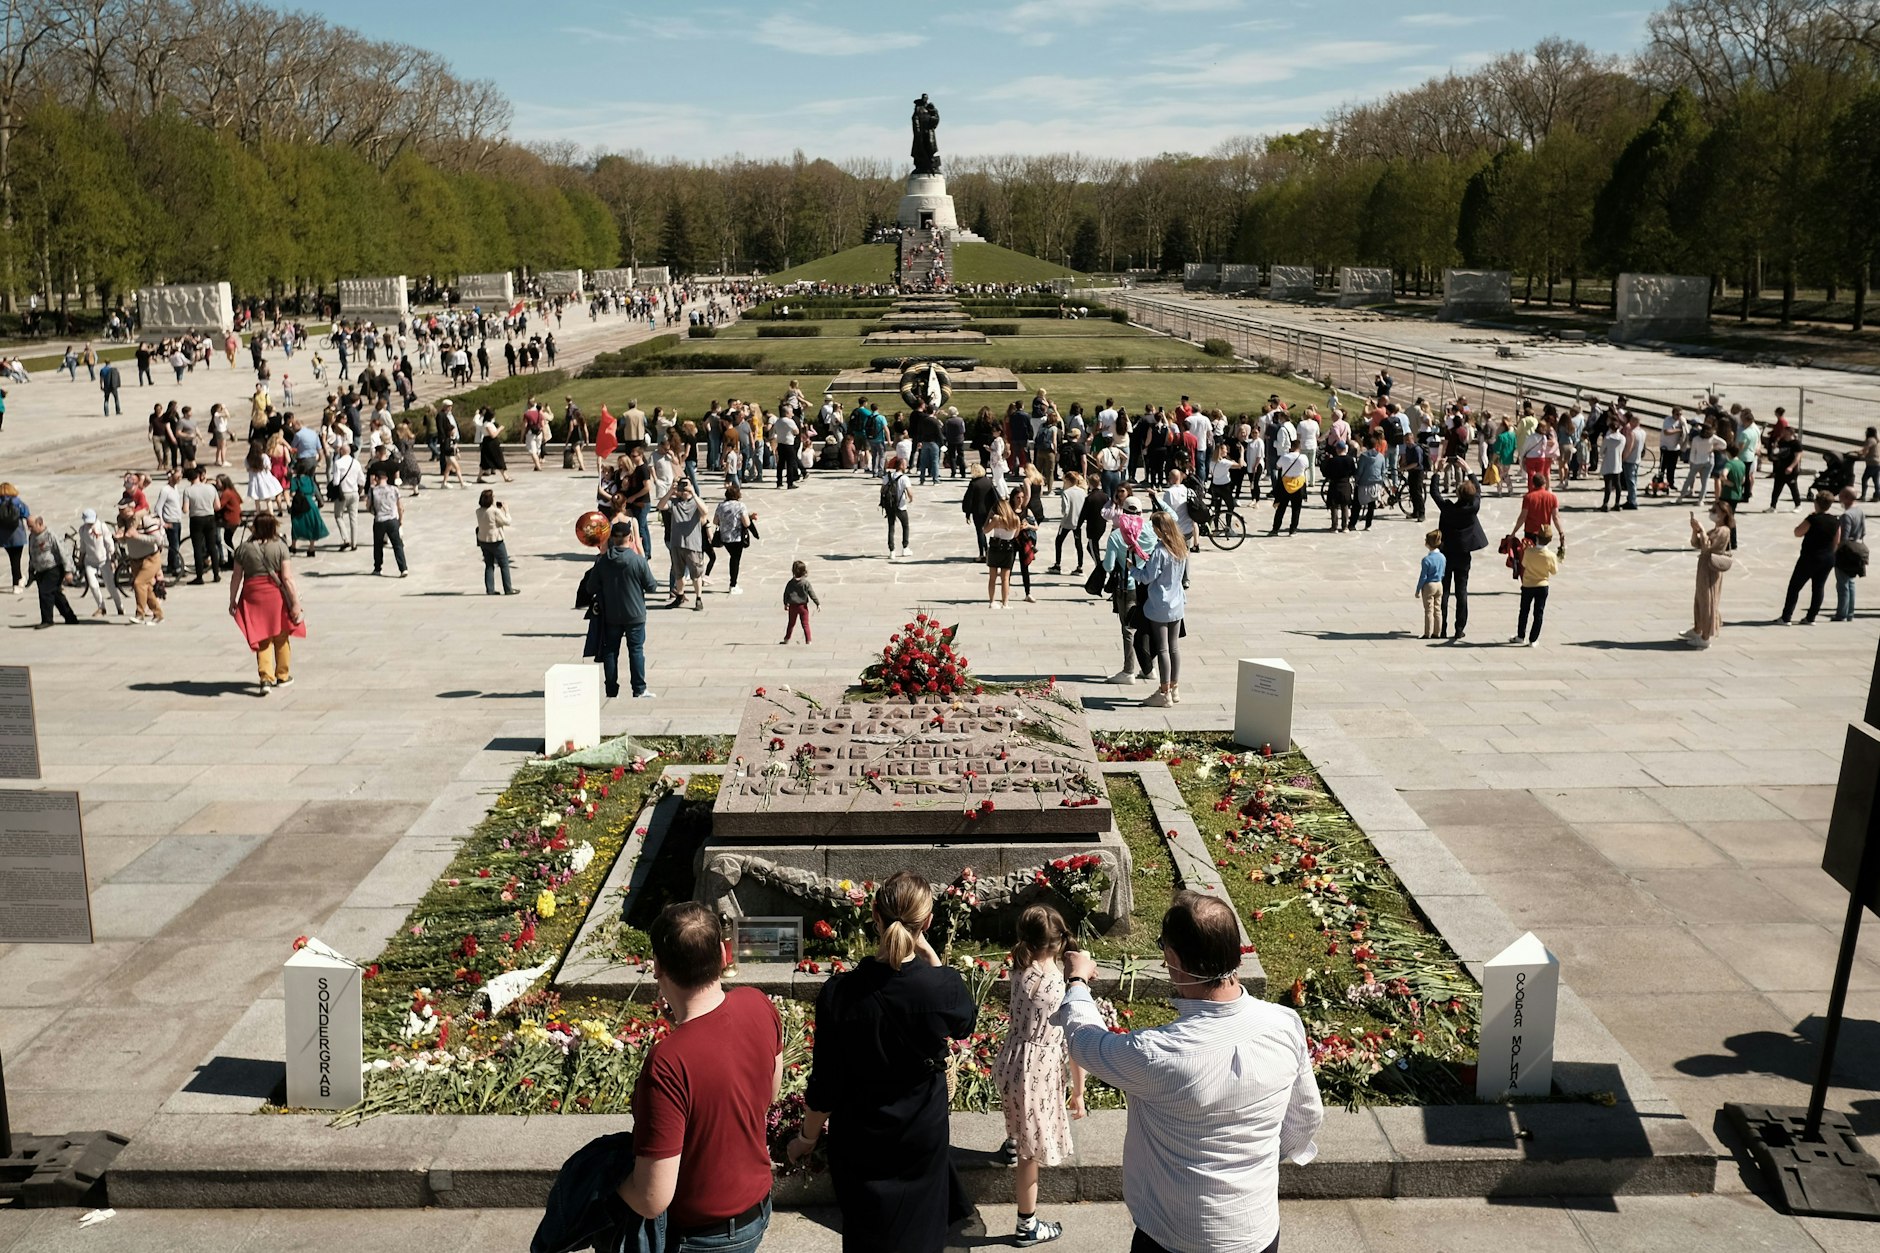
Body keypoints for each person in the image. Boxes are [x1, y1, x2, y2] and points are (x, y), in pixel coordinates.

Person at [1055, 891, 1323, 1253]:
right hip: (1256, 1231)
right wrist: (1253, 1164)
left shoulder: (1157, 1053)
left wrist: (1077, 981)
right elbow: (1306, 1115)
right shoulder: (1284, 1023)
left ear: (1174, 959)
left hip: (1175, 1236)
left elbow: (1086, 1042)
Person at [789, 873, 977, 1253]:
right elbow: (964, 1024)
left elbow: (826, 1084)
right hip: (921, 1136)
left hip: (860, 1140)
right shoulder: (942, 986)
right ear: (927, 922)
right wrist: (929, 955)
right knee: (923, 1235)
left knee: (866, 1236)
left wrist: (806, 1138)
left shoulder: (839, 994)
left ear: (874, 914)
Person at [614, 902, 783, 1253]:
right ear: (723, 954)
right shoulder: (758, 1003)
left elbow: (651, 1198)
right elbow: (768, 1095)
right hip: (757, 1209)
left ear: (658, 967)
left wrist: (606, 1184)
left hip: (703, 1237)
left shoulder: (667, 1063)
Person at [991, 902, 1085, 1248]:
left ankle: (1012, 1141)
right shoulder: (1059, 988)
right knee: (1031, 1157)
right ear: (1059, 942)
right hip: (1037, 1073)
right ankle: (1026, 1225)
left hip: (1013, 1061)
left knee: (1018, 1114)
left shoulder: (1021, 967)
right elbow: (1074, 1042)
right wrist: (1079, 1091)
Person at [228, 512, 303, 693]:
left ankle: (265, 679)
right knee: (281, 635)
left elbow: (236, 577)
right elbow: (287, 578)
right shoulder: (281, 547)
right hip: (275, 595)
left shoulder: (243, 549)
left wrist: (233, 599)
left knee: (262, 636)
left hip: (253, 595)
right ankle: (282, 675)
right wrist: (295, 603)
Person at [590, 520, 659, 699]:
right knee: (636, 650)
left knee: (611, 651)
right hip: (635, 614)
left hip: (611, 615)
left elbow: (591, 587)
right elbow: (652, 587)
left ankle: (611, 690)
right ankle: (639, 689)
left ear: (612, 538)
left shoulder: (603, 562)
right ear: (630, 537)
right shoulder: (638, 561)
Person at [1132, 512, 1187, 707]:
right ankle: (1174, 686)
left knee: (1163, 648)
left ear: (1158, 529)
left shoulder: (1160, 551)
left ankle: (1164, 692)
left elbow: (1147, 577)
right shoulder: (1180, 547)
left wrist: (1132, 569)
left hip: (1160, 604)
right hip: (1177, 602)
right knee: (1174, 647)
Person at [1431, 474, 1487, 641]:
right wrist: (1469, 471)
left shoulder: (1448, 509)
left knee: (1444, 591)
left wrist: (1437, 473)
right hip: (1463, 554)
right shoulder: (1472, 509)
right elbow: (1478, 492)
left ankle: (1441, 627)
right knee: (1461, 591)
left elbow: (1435, 493)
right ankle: (1459, 628)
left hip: (1446, 553)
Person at [1779, 491, 1842, 625]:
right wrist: (1830, 554)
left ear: (1816, 503)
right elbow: (1836, 541)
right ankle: (1811, 617)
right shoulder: (1836, 520)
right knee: (1818, 587)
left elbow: (1798, 532)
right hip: (1827, 558)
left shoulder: (1813, 519)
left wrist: (1807, 519)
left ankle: (1786, 617)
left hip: (1810, 557)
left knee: (1795, 586)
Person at [1684, 503, 1733, 647]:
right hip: (1704, 567)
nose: (1712, 513)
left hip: (1711, 569)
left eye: (1715, 511)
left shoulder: (1724, 531)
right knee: (1700, 598)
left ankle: (1705, 637)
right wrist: (1696, 531)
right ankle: (1698, 628)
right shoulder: (1716, 529)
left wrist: (1702, 530)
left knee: (1708, 600)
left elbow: (1708, 547)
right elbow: (1696, 544)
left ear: (1723, 514)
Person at [659, 476, 708, 611]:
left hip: (693, 544)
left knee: (696, 574)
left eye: (687, 485)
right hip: (677, 543)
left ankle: (698, 598)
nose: (685, 489)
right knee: (678, 573)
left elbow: (705, 511)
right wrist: (671, 491)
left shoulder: (696, 502)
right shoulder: (674, 502)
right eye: (683, 486)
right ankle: (679, 596)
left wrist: (693, 493)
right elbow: (661, 506)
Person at [1509, 524, 1560, 647]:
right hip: (1542, 585)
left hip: (1528, 585)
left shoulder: (1529, 552)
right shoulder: (1551, 556)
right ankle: (1533, 639)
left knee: (1524, 611)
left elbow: (1524, 564)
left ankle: (1520, 636)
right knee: (1538, 613)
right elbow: (1554, 571)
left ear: (1536, 538)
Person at [24, 517, 78, 629]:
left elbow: (63, 552)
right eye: (28, 527)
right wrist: (31, 572)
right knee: (56, 594)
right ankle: (70, 617)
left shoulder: (51, 535)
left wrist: (68, 571)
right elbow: (32, 554)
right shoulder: (32, 537)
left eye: (31, 526)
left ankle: (47, 620)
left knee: (45, 593)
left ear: (40, 523)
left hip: (53, 568)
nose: (29, 529)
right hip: (40, 570)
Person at [75, 509, 122, 617]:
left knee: (110, 586)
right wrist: (80, 560)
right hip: (90, 561)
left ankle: (119, 606)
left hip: (104, 560)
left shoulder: (102, 526)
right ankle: (101, 607)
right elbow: (83, 546)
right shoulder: (82, 530)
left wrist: (112, 558)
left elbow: (109, 543)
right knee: (93, 585)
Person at [181, 466, 223, 583]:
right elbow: (217, 506)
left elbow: (185, 509)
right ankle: (216, 574)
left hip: (196, 519)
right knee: (212, 547)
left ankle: (199, 576)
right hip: (210, 517)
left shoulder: (188, 490)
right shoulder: (210, 488)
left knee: (198, 548)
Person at [1832, 487, 1867, 621]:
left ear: (1846, 498)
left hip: (1846, 551)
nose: (1839, 498)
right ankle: (1850, 613)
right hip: (1857, 548)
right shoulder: (1859, 511)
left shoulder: (1846, 516)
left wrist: (1835, 551)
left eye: (1841, 495)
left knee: (1842, 584)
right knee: (1850, 582)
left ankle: (1841, 614)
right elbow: (1863, 532)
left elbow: (1843, 538)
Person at [712, 484, 754, 595]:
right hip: (736, 537)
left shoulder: (721, 505)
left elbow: (715, 521)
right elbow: (746, 523)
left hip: (724, 537)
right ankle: (733, 584)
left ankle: (733, 583)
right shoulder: (740, 506)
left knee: (733, 558)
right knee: (735, 560)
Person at [984, 494, 1022, 609]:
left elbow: (985, 530)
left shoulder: (997, 519)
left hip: (995, 547)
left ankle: (992, 601)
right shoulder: (1016, 519)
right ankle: (1005, 603)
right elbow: (1016, 535)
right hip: (1008, 548)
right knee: (1005, 578)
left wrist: (988, 518)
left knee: (992, 577)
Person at [475, 490, 516, 596]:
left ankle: (490, 589)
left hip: (483, 540)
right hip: (496, 540)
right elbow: (507, 522)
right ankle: (508, 588)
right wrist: (506, 511)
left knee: (489, 565)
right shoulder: (494, 511)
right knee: (504, 564)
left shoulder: (478, 511)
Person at [368, 470, 408, 577]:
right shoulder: (394, 489)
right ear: (386, 478)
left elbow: (368, 506)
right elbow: (400, 507)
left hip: (379, 520)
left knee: (378, 545)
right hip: (392, 519)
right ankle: (403, 568)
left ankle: (377, 568)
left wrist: (375, 512)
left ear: (376, 479)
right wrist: (400, 519)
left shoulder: (373, 491)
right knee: (397, 545)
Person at [1050, 471, 1090, 575]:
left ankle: (1057, 564)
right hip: (1078, 522)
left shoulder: (1066, 493)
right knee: (1078, 544)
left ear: (1068, 481)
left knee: (1059, 541)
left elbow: (1065, 510)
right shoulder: (1083, 492)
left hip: (1067, 522)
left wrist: (1063, 516)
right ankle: (1080, 566)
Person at [288, 462, 328, 558]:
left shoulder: (295, 480)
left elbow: (292, 493)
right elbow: (313, 490)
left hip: (299, 503)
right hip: (311, 503)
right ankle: (311, 548)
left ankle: (293, 546)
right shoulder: (309, 479)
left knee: (296, 524)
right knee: (312, 525)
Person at [961, 464, 1000, 560]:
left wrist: (967, 513)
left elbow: (969, 500)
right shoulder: (988, 481)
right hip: (988, 511)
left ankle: (983, 553)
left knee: (980, 531)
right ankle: (987, 551)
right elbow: (995, 497)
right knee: (984, 530)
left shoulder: (973, 484)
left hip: (977, 511)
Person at [1269, 445, 1307, 535]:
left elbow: (1277, 466)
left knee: (1281, 508)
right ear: (1299, 447)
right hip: (1298, 485)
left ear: (1291, 447)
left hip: (1285, 485)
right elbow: (1306, 467)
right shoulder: (1303, 457)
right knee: (1296, 509)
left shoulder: (1284, 457)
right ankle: (1293, 530)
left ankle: (1275, 529)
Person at [1415, 529, 1445, 640]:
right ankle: (1437, 632)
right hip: (1439, 584)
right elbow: (1443, 572)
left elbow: (1423, 576)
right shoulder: (1442, 557)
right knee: (1438, 610)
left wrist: (1418, 589)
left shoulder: (1426, 560)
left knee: (1428, 610)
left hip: (1429, 585)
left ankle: (1427, 633)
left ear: (1428, 544)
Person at [882, 456, 913, 561]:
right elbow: (910, 493)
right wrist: (911, 499)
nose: (906, 466)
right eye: (905, 464)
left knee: (891, 527)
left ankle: (892, 551)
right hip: (901, 506)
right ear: (901, 466)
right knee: (905, 525)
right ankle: (905, 548)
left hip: (890, 506)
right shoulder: (904, 478)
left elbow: (882, 490)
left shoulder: (887, 476)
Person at [0, 482, 29, 594]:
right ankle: (16, 584)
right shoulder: (17, 502)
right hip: (17, 535)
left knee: (13, 559)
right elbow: (26, 513)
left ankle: (20, 577)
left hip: (4, 537)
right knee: (16, 560)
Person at [782, 559, 819, 644]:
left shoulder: (790, 583)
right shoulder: (805, 583)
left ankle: (787, 639)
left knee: (791, 623)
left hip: (792, 606)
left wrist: (785, 603)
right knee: (805, 624)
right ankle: (808, 640)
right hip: (803, 607)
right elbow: (811, 593)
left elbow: (786, 593)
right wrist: (817, 603)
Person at [476, 408, 512, 483]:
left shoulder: (489, 423)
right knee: (496, 459)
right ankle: (505, 476)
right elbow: (493, 435)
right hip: (490, 443)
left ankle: (479, 477)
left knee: (486, 460)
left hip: (491, 442)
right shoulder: (487, 424)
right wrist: (500, 429)